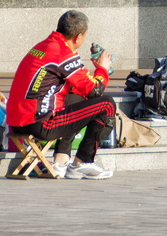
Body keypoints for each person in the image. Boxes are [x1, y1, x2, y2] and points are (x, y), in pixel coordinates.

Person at [7, 10, 116, 179]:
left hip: (18, 120)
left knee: (77, 100)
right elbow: (95, 90)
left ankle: (60, 162)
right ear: (78, 37)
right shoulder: (64, 53)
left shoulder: (43, 46)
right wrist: (102, 68)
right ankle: (83, 162)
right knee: (107, 104)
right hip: (40, 123)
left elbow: (77, 87)